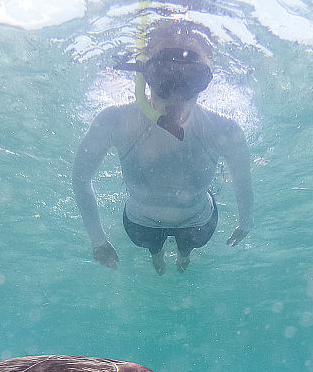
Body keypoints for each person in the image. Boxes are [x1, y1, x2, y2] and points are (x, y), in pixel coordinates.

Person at [72, 19, 254, 274]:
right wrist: (97, 241)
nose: (176, 96)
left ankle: (182, 255)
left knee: (186, 245)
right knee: (153, 246)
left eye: (191, 78)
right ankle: (158, 254)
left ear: (205, 80)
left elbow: (243, 180)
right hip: (142, 225)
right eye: (163, 77)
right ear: (145, 76)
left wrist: (247, 222)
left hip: (196, 223)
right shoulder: (114, 121)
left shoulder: (224, 128)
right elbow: (80, 179)